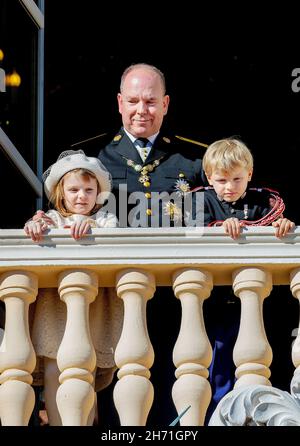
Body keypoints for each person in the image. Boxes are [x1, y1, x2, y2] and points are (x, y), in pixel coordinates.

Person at [191, 137, 295, 421]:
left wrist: (281, 225)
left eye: (237, 179)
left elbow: (274, 225)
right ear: (209, 177)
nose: (229, 187)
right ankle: (215, 416)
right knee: (217, 363)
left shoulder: (262, 201)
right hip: (213, 301)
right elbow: (192, 231)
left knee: (262, 358)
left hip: (257, 300)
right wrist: (218, 228)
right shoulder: (202, 200)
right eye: (222, 180)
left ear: (249, 174)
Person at [24, 150, 123, 425]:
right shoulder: (52, 219)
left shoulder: (105, 220)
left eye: (88, 190)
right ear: (61, 193)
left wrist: (89, 226)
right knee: (57, 372)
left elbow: (113, 240)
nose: (81, 196)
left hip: (91, 313)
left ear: (98, 194)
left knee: (85, 376)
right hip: (56, 313)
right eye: (74, 189)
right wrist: (35, 227)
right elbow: (35, 234)